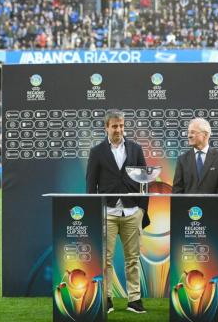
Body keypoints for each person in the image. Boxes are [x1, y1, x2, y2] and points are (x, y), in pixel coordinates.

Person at [86, 109, 149, 314]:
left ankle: (135, 300)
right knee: (105, 260)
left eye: (121, 125)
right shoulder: (96, 152)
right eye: (114, 126)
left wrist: (142, 209)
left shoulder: (136, 149)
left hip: (132, 211)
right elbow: (90, 185)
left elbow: (145, 181)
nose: (119, 129)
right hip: (108, 213)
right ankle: (107, 299)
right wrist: (94, 213)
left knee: (133, 258)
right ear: (106, 127)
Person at [172, 117, 218, 315]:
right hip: (187, 223)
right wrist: (185, 213)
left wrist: (208, 212)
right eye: (188, 131)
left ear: (205, 135)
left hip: (214, 220)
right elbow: (177, 190)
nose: (189, 135)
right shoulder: (182, 159)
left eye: (193, 132)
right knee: (189, 260)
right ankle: (188, 298)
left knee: (216, 259)